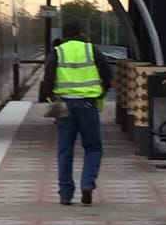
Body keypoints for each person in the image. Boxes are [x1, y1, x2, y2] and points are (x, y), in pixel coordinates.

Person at [39, 21, 112, 206]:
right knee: (93, 148)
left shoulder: (57, 51)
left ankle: (65, 194)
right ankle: (87, 183)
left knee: (65, 150)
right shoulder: (91, 50)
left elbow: (48, 78)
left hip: (64, 105)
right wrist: (101, 92)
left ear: (63, 35)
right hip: (88, 104)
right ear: (81, 33)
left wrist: (50, 98)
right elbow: (107, 73)